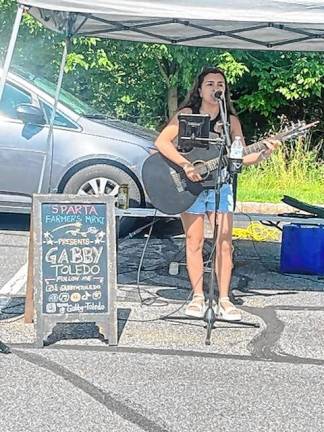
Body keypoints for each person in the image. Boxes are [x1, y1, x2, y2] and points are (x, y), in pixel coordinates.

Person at [155, 66, 278, 320]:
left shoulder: (230, 122)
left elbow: (240, 157)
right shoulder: (187, 114)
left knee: (224, 243)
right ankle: (198, 297)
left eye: (219, 84)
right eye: (209, 84)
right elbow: (162, 142)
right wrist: (186, 165)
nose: (215, 88)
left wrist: (264, 152)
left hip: (221, 185)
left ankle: (224, 299)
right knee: (195, 241)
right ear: (199, 90)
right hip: (191, 186)